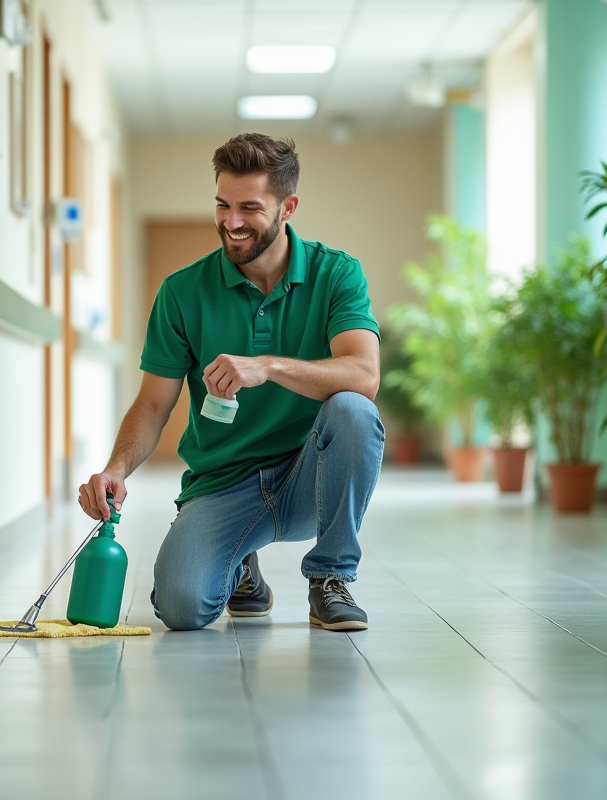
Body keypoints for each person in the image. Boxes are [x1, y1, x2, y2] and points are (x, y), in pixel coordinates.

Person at [78, 133, 384, 632]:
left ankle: (330, 578)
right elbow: (153, 405)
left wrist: (269, 365)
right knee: (181, 607)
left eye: (249, 208)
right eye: (222, 205)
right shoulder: (181, 292)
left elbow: (364, 375)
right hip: (224, 484)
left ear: (288, 206)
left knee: (353, 411)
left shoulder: (337, 274)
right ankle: (241, 560)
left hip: (311, 477)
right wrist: (116, 468)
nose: (232, 222)